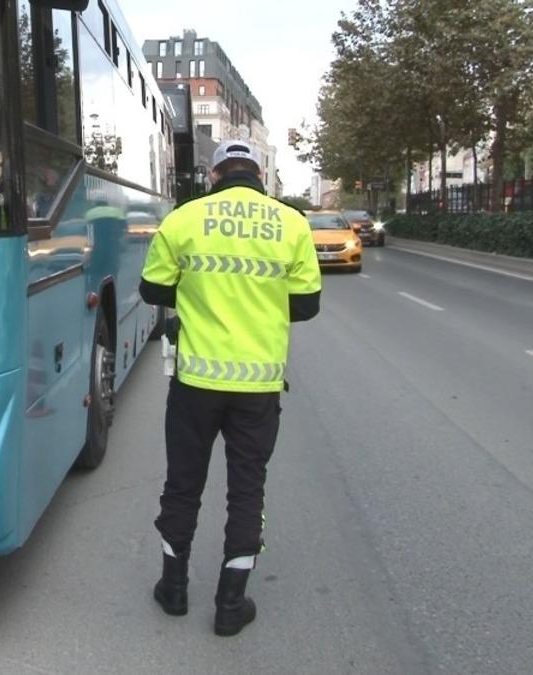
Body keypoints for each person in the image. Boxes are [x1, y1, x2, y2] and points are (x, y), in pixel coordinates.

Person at [139, 140, 321, 636]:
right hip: (258, 386)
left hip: (195, 382)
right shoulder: (292, 224)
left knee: (183, 483)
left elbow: (152, 290)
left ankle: (174, 589)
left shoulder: (184, 218)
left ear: (214, 173)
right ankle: (230, 604)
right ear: (260, 176)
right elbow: (306, 306)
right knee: (247, 489)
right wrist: (259, 301)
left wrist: (201, 294)